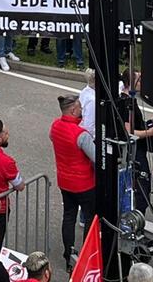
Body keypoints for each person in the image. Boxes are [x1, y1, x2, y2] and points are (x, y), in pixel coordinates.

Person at [48, 96, 94, 267]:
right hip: (85, 184)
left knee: (68, 217)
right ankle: (88, 253)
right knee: (90, 218)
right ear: (73, 110)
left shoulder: (55, 126)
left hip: (65, 182)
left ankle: (68, 255)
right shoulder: (81, 134)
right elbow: (96, 157)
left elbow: (54, 139)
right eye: (80, 108)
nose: (82, 110)